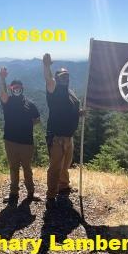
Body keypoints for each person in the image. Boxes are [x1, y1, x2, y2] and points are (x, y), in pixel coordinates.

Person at [42, 53, 81, 209]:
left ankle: (63, 186)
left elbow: (70, 109)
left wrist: (80, 113)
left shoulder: (70, 92)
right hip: (57, 137)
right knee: (55, 167)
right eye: (61, 76)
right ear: (57, 78)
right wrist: (46, 66)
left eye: (66, 76)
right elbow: (48, 80)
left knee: (66, 164)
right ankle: (51, 194)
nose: (64, 78)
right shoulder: (54, 89)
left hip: (68, 136)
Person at [0, 66, 41, 203]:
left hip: (26, 142)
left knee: (27, 168)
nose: (16, 89)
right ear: (11, 89)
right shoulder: (8, 101)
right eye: (14, 87)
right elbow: (3, 94)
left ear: (22, 88)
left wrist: (26, 126)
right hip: (10, 141)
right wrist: (2, 79)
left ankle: (30, 193)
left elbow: (37, 119)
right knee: (13, 167)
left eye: (18, 87)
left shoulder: (30, 104)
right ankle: (13, 193)